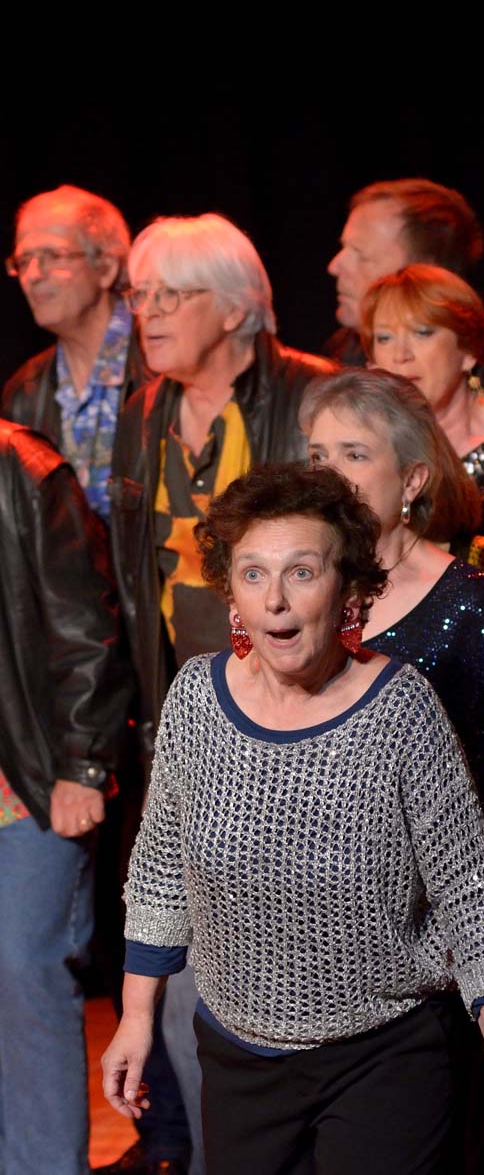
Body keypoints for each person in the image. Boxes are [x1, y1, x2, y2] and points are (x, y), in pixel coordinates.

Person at [101, 463, 484, 1175]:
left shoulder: (400, 708)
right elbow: (159, 874)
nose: (275, 599)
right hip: (238, 1054)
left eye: (302, 572)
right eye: (253, 573)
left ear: (348, 588)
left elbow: (469, 889)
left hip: (386, 1052)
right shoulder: (195, 698)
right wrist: (134, 1020)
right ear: (231, 591)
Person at [105, 212, 335, 1175]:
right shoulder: (144, 410)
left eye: (172, 294)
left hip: (301, 716)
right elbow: (133, 577)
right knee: (191, 975)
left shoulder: (313, 396)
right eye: (139, 295)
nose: (148, 313)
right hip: (187, 716)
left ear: (237, 309)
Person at [301, 370, 484, 1172]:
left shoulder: (469, 600)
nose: (328, 473)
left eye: (353, 453)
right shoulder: (296, 596)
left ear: (412, 478)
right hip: (315, 956)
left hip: (435, 955)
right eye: (317, 454)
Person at [0, 418, 131, 1175]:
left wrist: (83, 764)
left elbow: (86, 626)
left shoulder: (23, 468)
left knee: (25, 969)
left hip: (24, 775)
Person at [361, 263, 484, 569]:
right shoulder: (363, 451)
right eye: (384, 338)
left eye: (422, 333)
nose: (400, 355)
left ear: (468, 350)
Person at [325, 177, 484, 412]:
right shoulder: (344, 349)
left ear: (425, 272)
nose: (334, 266)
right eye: (384, 338)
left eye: (362, 255)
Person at [3, 184, 151, 519]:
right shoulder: (23, 391)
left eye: (53, 256)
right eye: (24, 260)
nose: (32, 275)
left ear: (107, 267)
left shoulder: (162, 360)